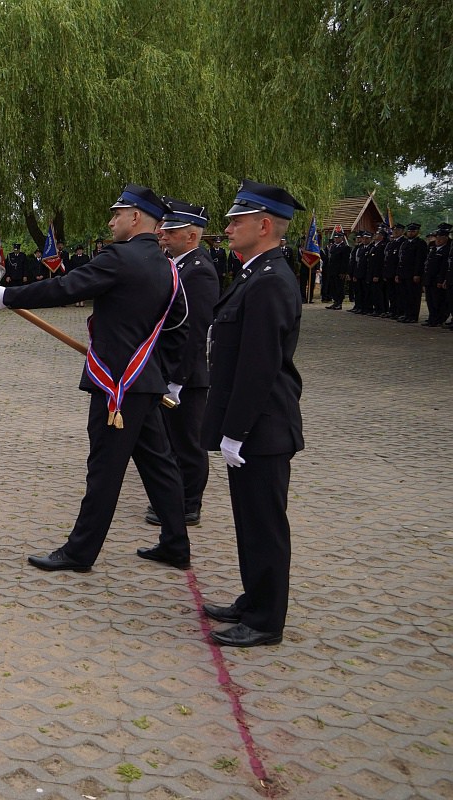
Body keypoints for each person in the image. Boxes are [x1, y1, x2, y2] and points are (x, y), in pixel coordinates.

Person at [0, 183, 190, 573]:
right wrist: (169, 372)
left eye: (117, 215)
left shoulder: (121, 257)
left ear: (135, 218)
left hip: (118, 384)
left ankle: (79, 553)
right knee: (159, 464)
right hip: (145, 381)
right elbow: (180, 324)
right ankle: (176, 544)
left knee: (105, 470)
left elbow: (65, 287)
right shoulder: (167, 266)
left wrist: (7, 296)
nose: (111, 222)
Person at [201, 179, 305, 648]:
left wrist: (236, 430)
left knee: (264, 523)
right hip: (252, 426)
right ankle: (253, 598)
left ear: (264, 226)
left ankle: (265, 621)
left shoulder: (270, 280)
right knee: (249, 518)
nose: (226, 228)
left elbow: (259, 367)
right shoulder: (254, 272)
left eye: (235, 221)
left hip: (262, 427)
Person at [143, 198, 218, 529]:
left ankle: (189, 504)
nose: (162, 234)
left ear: (191, 235)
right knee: (172, 441)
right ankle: (173, 499)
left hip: (186, 375)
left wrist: (177, 378)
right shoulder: (178, 265)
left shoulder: (198, 271)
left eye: (170, 231)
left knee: (188, 443)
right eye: (163, 228)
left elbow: (193, 331)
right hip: (170, 369)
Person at [397, 222, 426, 323]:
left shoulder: (420, 243)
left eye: (413, 231)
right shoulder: (405, 243)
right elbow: (400, 259)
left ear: (417, 232)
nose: (410, 233)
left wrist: (417, 274)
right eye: (409, 231)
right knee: (405, 295)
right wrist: (398, 273)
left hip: (413, 274)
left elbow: (419, 260)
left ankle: (413, 316)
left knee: (413, 296)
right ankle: (407, 314)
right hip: (403, 273)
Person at [421, 224, 450, 327]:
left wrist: (441, 280)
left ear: (446, 238)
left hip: (437, 279)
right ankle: (432, 318)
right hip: (429, 278)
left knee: (438, 300)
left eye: (441, 238)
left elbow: (444, 267)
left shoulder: (446, 250)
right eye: (437, 238)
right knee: (430, 300)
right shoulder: (433, 249)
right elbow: (427, 264)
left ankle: (439, 318)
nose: (438, 240)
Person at [324, 231, 350, 310]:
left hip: (339, 271)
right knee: (333, 287)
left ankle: (339, 303)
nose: (336, 239)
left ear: (341, 238)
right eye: (335, 238)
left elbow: (345, 261)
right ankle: (335, 302)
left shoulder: (345, 247)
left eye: (337, 238)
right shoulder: (333, 247)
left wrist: (343, 272)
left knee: (339, 287)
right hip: (332, 270)